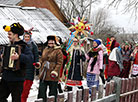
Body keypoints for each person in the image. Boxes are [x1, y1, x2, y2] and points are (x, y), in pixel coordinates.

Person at [0, 23, 33, 102]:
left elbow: (30, 58)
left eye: (10, 34)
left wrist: (19, 57)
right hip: (5, 77)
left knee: (16, 100)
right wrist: (1, 56)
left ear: (16, 35)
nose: (8, 36)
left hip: (17, 79)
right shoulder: (7, 46)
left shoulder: (24, 46)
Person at [37, 35, 63, 102]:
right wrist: (39, 63)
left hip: (52, 73)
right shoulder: (45, 49)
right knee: (41, 90)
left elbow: (59, 63)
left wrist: (55, 71)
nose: (50, 44)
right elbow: (42, 59)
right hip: (44, 72)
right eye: (49, 43)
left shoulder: (58, 51)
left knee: (52, 91)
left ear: (55, 43)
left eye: (52, 43)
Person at [21, 29, 40, 102]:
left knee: (27, 86)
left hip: (30, 67)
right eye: (25, 37)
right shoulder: (21, 45)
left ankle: (24, 99)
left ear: (30, 37)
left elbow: (36, 55)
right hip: (22, 67)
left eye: (28, 37)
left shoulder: (33, 45)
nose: (26, 38)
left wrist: (36, 62)